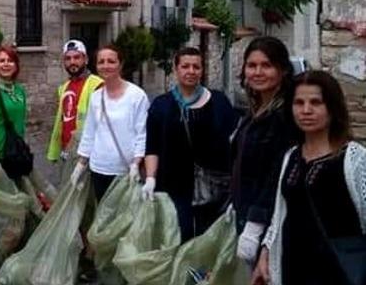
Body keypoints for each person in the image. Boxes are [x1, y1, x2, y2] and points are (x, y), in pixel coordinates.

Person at [253, 71, 366, 285]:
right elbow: (280, 215)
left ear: (332, 108)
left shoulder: (354, 159)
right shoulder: (291, 157)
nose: (306, 110)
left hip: (339, 273)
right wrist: (266, 253)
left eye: (316, 102)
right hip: (293, 269)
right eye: (299, 103)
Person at [142, 47, 238, 240]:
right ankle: (181, 262)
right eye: (185, 66)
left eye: (196, 67)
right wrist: (150, 178)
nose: (191, 71)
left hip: (213, 187)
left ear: (202, 70)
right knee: (178, 238)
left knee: (206, 242)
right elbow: (152, 146)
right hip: (172, 187)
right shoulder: (161, 105)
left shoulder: (219, 102)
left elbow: (234, 142)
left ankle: (201, 263)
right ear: (176, 69)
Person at [232, 37, 301, 265]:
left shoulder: (285, 116)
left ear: (282, 70)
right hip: (244, 212)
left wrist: (255, 225)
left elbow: (276, 173)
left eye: (267, 65)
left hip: (271, 224)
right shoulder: (255, 111)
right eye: (252, 65)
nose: (258, 72)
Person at [71, 44, 149, 201]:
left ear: (121, 64)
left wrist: (136, 163)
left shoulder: (137, 96)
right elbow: (90, 132)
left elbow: (142, 133)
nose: (106, 66)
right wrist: (80, 164)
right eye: (101, 62)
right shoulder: (96, 97)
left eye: (111, 61)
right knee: (103, 213)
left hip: (125, 171)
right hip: (99, 168)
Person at [46, 40, 104, 184]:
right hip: (66, 152)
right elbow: (62, 121)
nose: (72, 62)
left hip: (87, 154)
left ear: (86, 59)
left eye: (77, 57)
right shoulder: (64, 87)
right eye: (68, 58)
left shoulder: (97, 84)